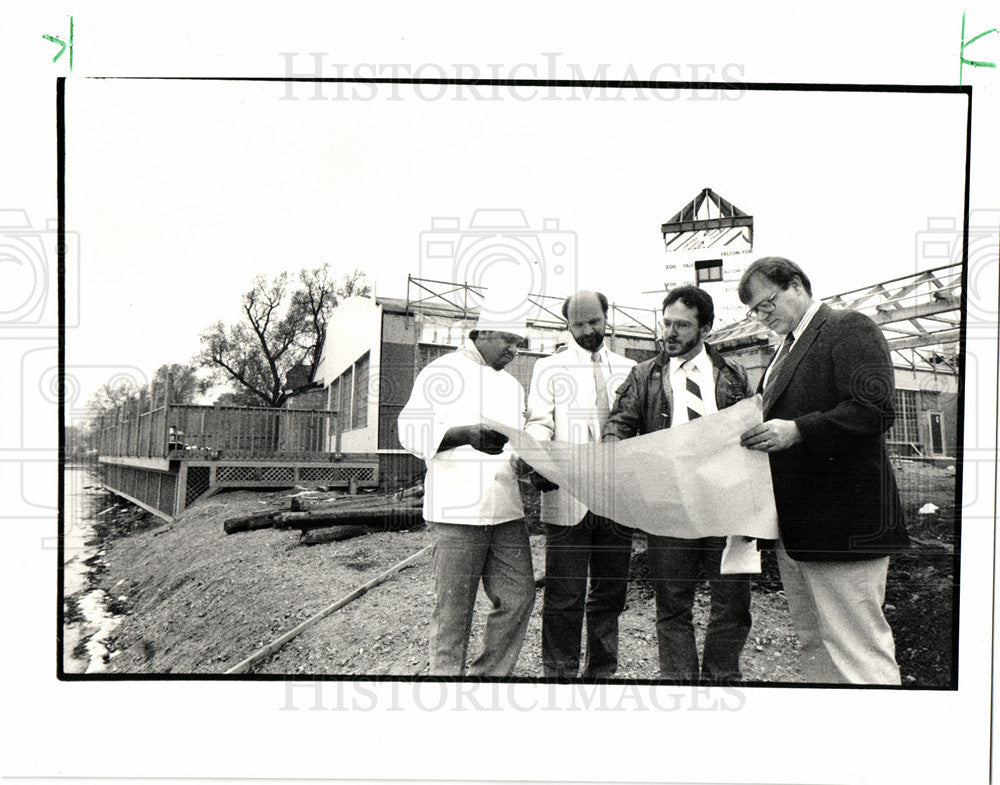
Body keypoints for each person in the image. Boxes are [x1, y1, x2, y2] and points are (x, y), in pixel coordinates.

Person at [737, 256, 909, 685]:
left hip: (846, 525)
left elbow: (873, 408)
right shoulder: (784, 351)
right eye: (755, 312)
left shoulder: (849, 327)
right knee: (815, 645)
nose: (762, 317)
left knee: (858, 651)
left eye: (766, 303)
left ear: (796, 284)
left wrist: (797, 430)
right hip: (800, 531)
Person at [603, 285, 754, 683]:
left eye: (682, 325)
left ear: (705, 327)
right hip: (670, 505)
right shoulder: (645, 375)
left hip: (728, 505)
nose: (669, 333)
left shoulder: (733, 374)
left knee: (733, 602)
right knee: (672, 604)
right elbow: (620, 422)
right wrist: (612, 449)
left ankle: (722, 680)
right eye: (666, 322)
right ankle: (680, 685)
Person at [397, 302, 535, 677]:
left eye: (518, 342)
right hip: (456, 511)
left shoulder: (512, 385)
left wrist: (528, 460)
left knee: (518, 597)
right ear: (484, 332)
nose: (513, 350)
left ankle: (487, 679)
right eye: (508, 339)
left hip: (506, 509)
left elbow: (514, 442)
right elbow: (409, 431)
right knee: (453, 611)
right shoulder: (440, 372)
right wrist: (464, 435)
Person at [521, 290, 637, 678]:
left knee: (609, 594)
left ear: (608, 317)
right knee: (564, 595)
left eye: (595, 322)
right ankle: (559, 673)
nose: (588, 330)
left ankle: (602, 673)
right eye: (579, 324)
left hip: (616, 498)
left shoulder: (629, 368)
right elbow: (540, 421)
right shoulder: (549, 368)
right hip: (568, 496)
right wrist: (536, 454)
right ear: (567, 325)